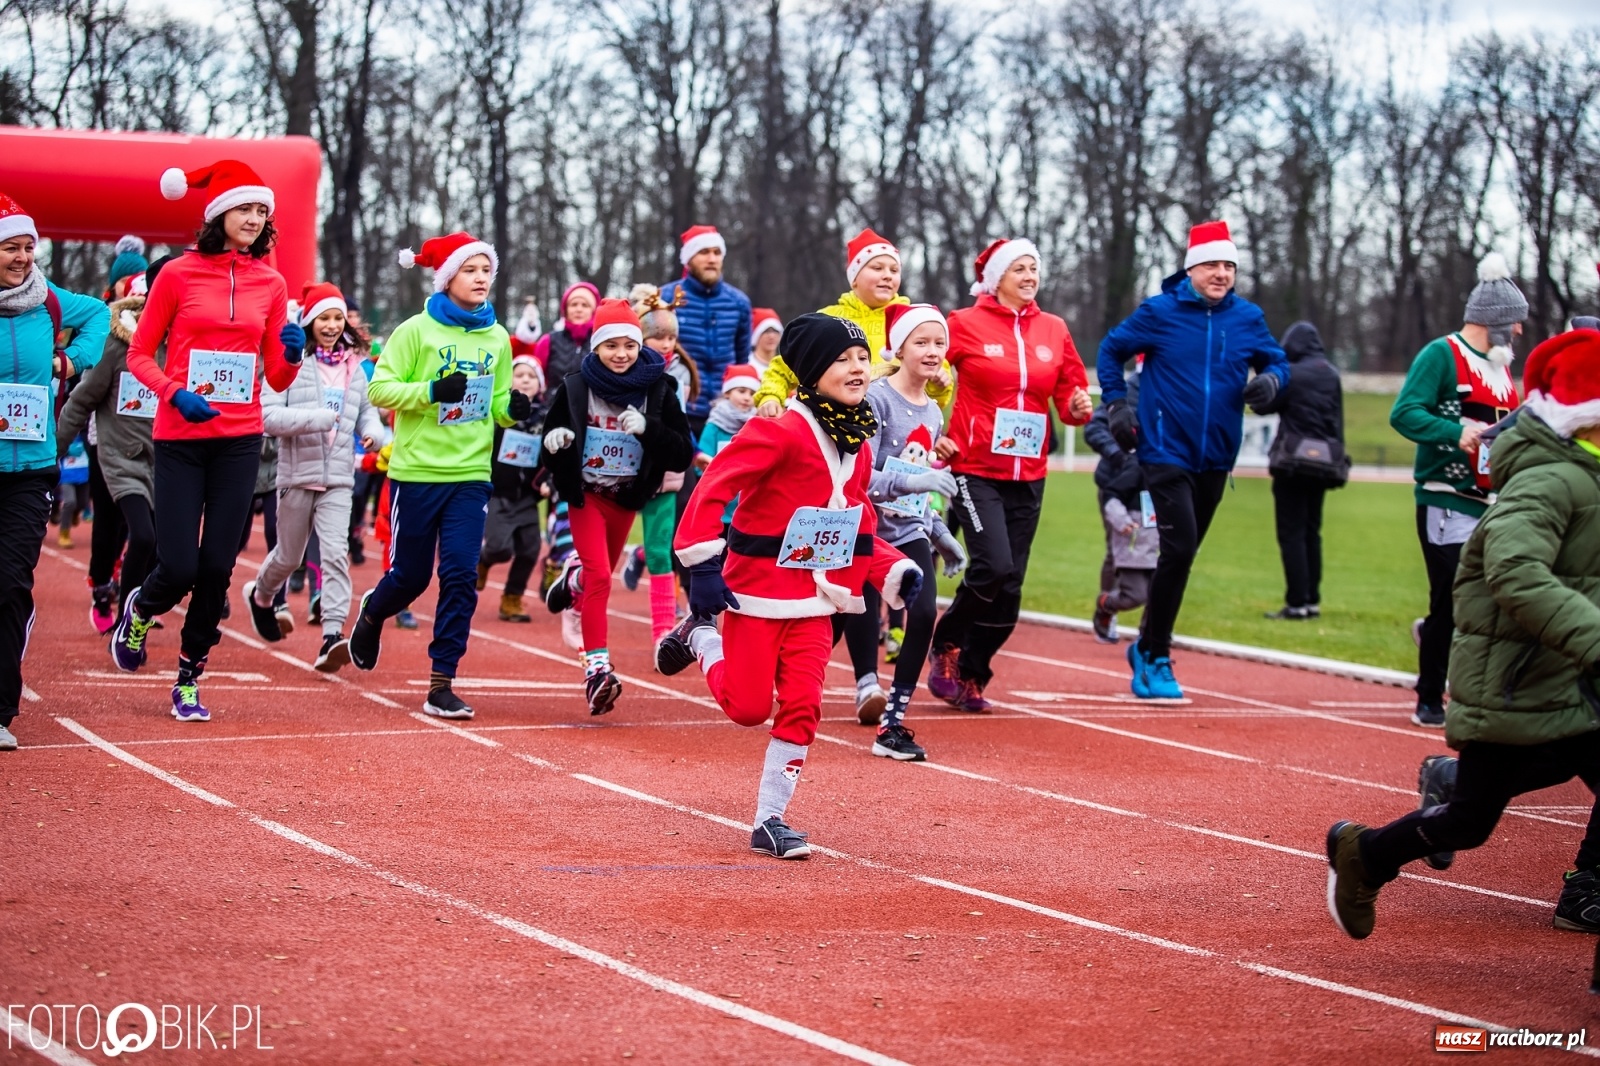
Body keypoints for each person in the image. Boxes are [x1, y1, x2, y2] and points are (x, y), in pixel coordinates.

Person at [1326, 326, 1600, 940]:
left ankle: (1588, 887)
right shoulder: (1549, 482)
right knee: (1471, 821)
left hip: (1570, 677)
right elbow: (1517, 573)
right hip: (1518, 677)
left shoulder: (1589, 474)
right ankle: (1366, 855)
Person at [655, 313, 922, 858]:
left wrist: (891, 569)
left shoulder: (859, 437)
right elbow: (712, 489)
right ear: (810, 370)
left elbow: (857, 515)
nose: (856, 369)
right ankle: (700, 639)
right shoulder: (778, 429)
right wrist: (703, 565)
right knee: (749, 708)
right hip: (756, 593)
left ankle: (770, 819)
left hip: (819, 600)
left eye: (861, 359)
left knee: (803, 703)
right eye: (842, 360)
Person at [110, 160, 302, 722]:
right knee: (178, 565)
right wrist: (174, 393)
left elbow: (277, 378)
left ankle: (189, 677)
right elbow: (139, 354)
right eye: (245, 207)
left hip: (239, 440)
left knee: (217, 567)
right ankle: (140, 610)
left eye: (262, 210)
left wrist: (292, 353)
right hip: (181, 437)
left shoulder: (272, 282)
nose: (255, 217)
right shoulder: (176, 275)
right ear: (219, 214)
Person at [1097, 220, 1289, 701]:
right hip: (1164, 450)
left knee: (1181, 556)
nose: (1221, 273)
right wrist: (1118, 404)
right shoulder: (1160, 313)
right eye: (1212, 264)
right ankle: (1157, 653)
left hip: (1217, 457)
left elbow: (1278, 362)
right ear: (1191, 268)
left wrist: (1271, 383)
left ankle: (1146, 645)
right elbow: (1111, 350)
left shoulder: (1247, 318)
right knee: (1178, 550)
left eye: (1229, 265)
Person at [346, 231, 527, 720]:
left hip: (470, 473)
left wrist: (514, 408)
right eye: (470, 271)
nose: (481, 279)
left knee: (461, 575)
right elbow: (380, 390)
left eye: (486, 271)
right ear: (448, 278)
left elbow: (497, 405)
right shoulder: (415, 331)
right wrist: (431, 390)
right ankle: (373, 611)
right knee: (410, 577)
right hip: (416, 472)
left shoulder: (497, 338)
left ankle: (441, 682)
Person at [929, 238, 1093, 711]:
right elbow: (925, 367)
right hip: (975, 466)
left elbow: (1069, 396)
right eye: (1018, 268)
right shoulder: (964, 324)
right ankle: (946, 644)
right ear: (995, 277)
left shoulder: (1054, 329)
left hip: (1030, 471)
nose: (1028, 276)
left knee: (1012, 583)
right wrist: (938, 381)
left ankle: (973, 674)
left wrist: (1079, 407)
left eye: (1033, 268)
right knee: (993, 566)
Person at [1390, 253, 1525, 727]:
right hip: (1445, 497)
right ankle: (1429, 696)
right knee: (1451, 596)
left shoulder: (1502, 369)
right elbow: (1404, 413)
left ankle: (1463, 672)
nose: (1522, 333)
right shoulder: (1440, 355)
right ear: (1498, 323)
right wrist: (1455, 432)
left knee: (1492, 598)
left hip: (1492, 502)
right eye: (1517, 324)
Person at [540, 298, 694, 714]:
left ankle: (571, 581)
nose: (621, 354)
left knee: (595, 576)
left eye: (629, 345)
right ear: (596, 348)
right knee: (600, 580)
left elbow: (682, 453)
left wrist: (649, 430)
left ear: (640, 344)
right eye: (611, 346)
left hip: (626, 498)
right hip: (586, 494)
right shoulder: (575, 386)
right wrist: (554, 444)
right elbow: (552, 436)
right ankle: (597, 671)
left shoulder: (660, 390)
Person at [0, 190, 109, 751]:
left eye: (27, 247)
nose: (22, 258)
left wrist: (71, 360)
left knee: (12, 581)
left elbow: (100, 316)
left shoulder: (47, 301)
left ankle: (0, 706)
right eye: (10, 248)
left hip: (31, 466)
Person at [243, 282, 387, 672]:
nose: (332, 324)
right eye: (324, 317)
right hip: (296, 475)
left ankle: (332, 635)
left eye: (338, 317)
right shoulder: (291, 365)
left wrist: (374, 434)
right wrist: (316, 419)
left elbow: (366, 412)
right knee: (288, 556)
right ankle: (260, 594)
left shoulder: (355, 367)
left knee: (335, 554)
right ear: (308, 321)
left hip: (339, 478)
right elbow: (267, 417)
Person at [849, 304, 968, 760]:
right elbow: (862, 478)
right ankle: (859, 685)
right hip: (866, 527)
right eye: (922, 342)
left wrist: (940, 533)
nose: (933, 351)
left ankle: (892, 723)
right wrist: (917, 481)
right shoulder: (876, 400)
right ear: (898, 347)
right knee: (852, 612)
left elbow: (917, 487)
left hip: (910, 529)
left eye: (940, 343)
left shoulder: (935, 411)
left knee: (922, 615)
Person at [57, 256, 169, 630]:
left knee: (159, 546)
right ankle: (113, 600)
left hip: (167, 459)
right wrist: (50, 455)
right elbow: (82, 399)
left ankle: (135, 600)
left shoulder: (188, 346)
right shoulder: (117, 342)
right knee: (127, 530)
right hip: (117, 454)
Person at [752, 229, 949, 416]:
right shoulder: (828, 320)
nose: (888, 275)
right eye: (877, 268)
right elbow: (784, 367)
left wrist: (938, 385)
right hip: (834, 428)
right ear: (854, 278)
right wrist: (770, 397)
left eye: (894, 270)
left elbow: (932, 400)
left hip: (894, 432)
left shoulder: (914, 321)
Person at [618, 284, 701, 646]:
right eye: (658, 337)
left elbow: (679, 421)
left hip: (665, 470)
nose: (666, 344)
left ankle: (663, 632)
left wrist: (688, 449)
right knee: (602, 553)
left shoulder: (679, 374)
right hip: (620, 469)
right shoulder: (619, 367)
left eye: (671, 337)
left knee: (659, 549)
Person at [1261, 321, 1348, 621]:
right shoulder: (1332, 375)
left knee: (1291, 533)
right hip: (1324, 463)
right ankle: (1312, 599)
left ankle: (1295, 602)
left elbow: (1265, 404)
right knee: (1312, 531)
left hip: (1293, 461)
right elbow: (1336, 420)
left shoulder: (1292, 374)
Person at [660, 225, 752, 432]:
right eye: (704, 252)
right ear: (689, 259)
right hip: (679, 409)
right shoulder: (667, 299)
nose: (712, 259)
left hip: (725, 414)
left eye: (717, 252)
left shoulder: (739, 303)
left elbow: (742, 360)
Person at [477, 353, 547, 622]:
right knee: (499, 548)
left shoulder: (545, 416)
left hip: (528, 495)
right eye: (519, 375)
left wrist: (546, 482)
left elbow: (552, 455)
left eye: (531, 377)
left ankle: (512, 599)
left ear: (540, 384)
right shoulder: (497, 413)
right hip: (499, 492)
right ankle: (483, 560)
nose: (526, 381)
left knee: (530, 549)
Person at [1085, 359, 1141, 643]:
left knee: (1166, 555)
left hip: (1161, 486)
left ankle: (1152, 628)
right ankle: (1108, 610)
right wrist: (1121, 458)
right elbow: (1094, 429)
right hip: (1118, 485)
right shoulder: (1127, 390)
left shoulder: (1179, 389)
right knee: (1117, 551)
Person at [533, 281, 599, 388]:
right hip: (554, 403)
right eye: (573, 304)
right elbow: (536, 377)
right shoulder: (548, 341)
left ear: (593, 310)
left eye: (585, 305)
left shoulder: (601, 342)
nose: (579, 309)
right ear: (565, 310)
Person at [55, 434, 91, 547]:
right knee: (70, 502)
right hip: (67, 475)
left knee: (83, 502)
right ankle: (64, 534)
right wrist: (66, 451)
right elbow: (54, 448)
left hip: (84, 474)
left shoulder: (88, 432)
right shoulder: (63, 430)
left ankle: (74, 514)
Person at [748, 308, 781, 377]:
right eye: (766, 331)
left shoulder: (785, 367)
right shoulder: (747, 365)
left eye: (775, 331)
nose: (771, 336)